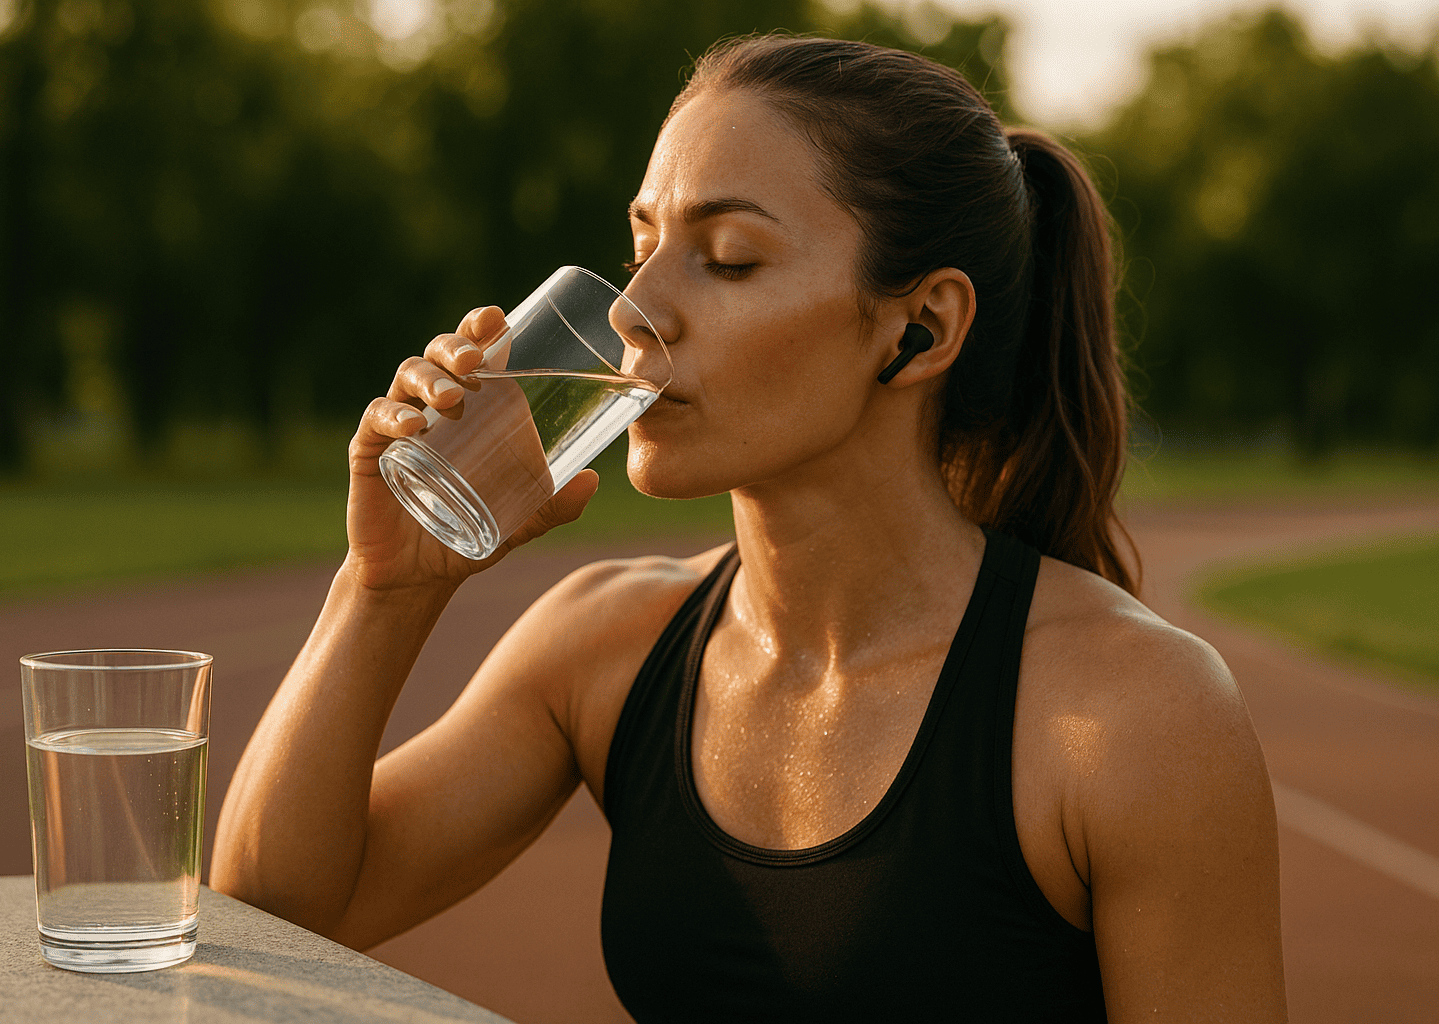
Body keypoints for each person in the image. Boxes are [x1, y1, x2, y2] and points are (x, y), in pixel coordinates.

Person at [212, 34, 1288, 1022]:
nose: (636, 309)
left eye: (726, 259)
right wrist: (384, 586)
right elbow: (266, 917)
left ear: (921, 328)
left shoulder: (1133, 715)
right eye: (640, 243)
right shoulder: (605, 644)